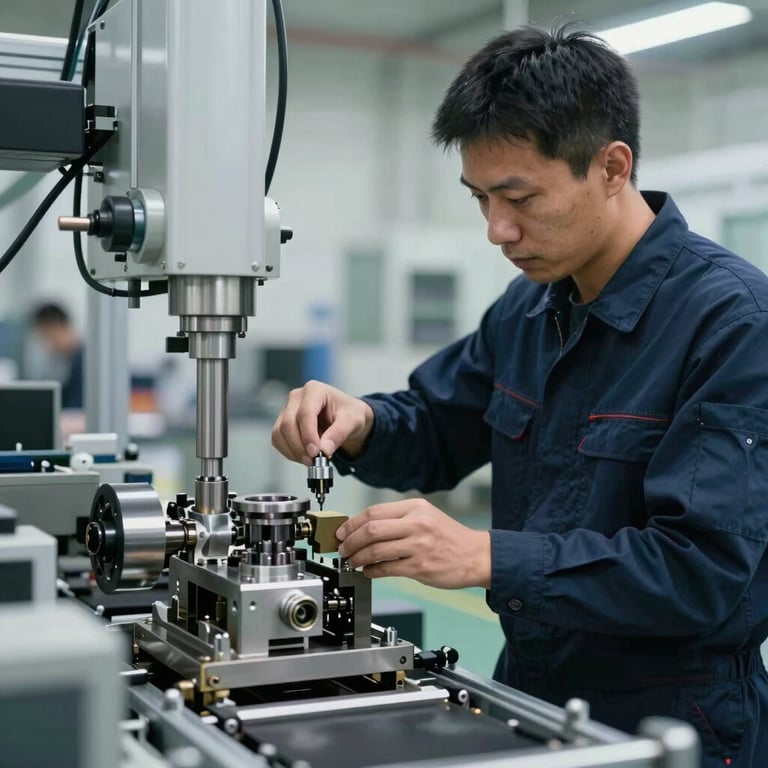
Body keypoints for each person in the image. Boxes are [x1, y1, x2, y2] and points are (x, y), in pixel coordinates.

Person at [271, 23, 768, 768]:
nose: (498, 230)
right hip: (528, 696)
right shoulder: (528, 309)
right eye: (480, 199)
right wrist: (361, 420)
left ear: (611, 167)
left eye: (520, 197)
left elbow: (701, 573)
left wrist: (486, 556)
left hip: (674, 722)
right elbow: (439, 425)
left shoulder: (731, 322)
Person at [30, 302, 84, 409]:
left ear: (56, 328)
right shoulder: (68, 360)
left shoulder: (85, 362)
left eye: (45, 335)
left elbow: (76, 410)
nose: (45, 344)